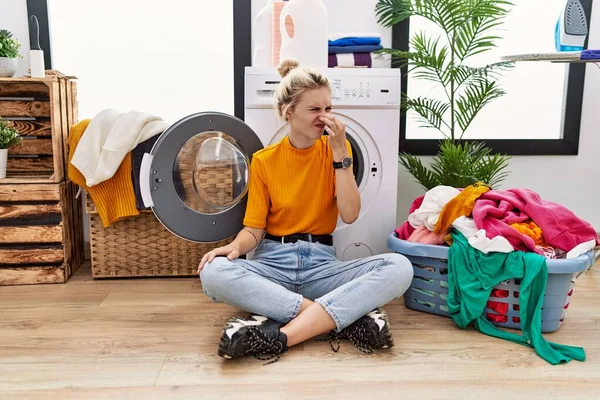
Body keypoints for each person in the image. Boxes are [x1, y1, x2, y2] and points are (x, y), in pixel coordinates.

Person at [197, 59, 413, 364]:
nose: (324, 117)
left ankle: (282, 335)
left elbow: (350, 214)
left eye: (328, 108)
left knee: (399, 267)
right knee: (213, 272)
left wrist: (340, 156)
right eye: (314, 110)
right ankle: (339, 319)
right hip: (273, 264)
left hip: (322, 266)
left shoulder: (338, 152)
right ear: (289, 112)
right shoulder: (264, 160)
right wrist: (233, 247)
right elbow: (253, 230)